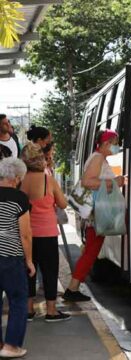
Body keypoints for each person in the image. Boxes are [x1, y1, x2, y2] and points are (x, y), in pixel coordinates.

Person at [63, 129, 125, 302]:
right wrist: (115, 182)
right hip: (96, 212)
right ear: (106, 144)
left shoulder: (100, 158)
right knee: (91, 251)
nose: (116, 147)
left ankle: (74, 285)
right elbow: (87, 181)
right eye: (115, 143)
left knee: (89, 249)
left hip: (97, 211)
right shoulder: (98, 158)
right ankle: (73, 288)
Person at [20, 142, 71, 322]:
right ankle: (51, 311)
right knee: (50, 272)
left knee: (28, 271)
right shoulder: (48, 180)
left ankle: (28, 310)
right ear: (41, 158)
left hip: (26, 233)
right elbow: (63, 204)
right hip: (47, 233)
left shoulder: (21, 180)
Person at [0, 157, 35, 359]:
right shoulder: (19, 198)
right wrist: (29, 261)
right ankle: (11, 346)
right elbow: (25, 234)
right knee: (18, 299)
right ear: (16, 178)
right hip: (11, 257)